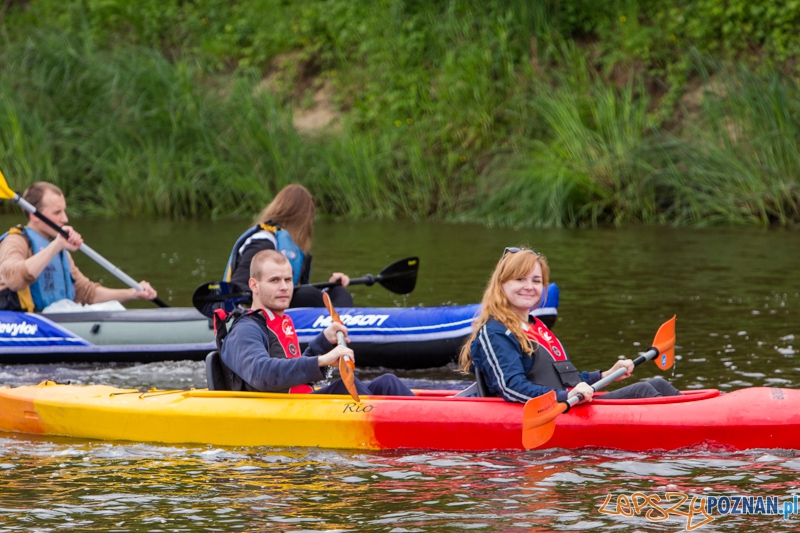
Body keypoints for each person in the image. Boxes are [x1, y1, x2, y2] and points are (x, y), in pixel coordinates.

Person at [459, 246, 680, 404]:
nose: (529, 287)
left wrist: (603, 375)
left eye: (536, 281)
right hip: (550, 409)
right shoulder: (495, 331)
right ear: (502, 284)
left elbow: (566, 380)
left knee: (658, 384)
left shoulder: (537, 327)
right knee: (643, 390)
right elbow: (511, 388)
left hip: (569, 403)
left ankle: (707, 423)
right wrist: (566, 396)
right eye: (520, 279)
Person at [218, 249, 414, 396]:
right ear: (254, 285)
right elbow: (262, 374)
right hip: (279, 411)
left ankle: (428, 423)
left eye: (288, 280)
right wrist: (322, 360)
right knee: (342, 388)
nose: (284, 287)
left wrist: (323, 342)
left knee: (387, 382)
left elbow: (293, 372)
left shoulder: (281, 322)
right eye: (275, 280)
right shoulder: (245, 329)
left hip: (300, 403)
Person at [0, 182, 157, 312]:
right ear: (34, 215)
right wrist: (56, 246)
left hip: (56, 319)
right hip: (23, 324)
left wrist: (131, 294)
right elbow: (13, 280)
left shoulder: (58, 248)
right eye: (57, 212)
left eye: (64, 211)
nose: (65, 218)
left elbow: (86, 294)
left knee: (113, 308)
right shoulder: (16, 241)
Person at [223, 184, 353, 308]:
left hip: (285, 305)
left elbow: (299, 286)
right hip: (255, 310)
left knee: (339, 292)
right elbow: (238, 286)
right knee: (307, 295)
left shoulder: (301, 253)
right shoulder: (263, 242)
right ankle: (339, 324)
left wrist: (329, 286)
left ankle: (345, 322)